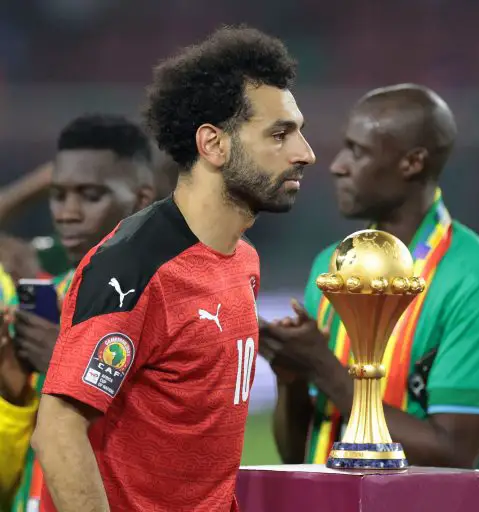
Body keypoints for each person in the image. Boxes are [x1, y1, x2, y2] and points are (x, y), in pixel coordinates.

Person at [32, 25, 314, 512]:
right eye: (280, 134)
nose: (304, 153)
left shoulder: (243, 260)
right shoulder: (133, 266)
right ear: (213, 144)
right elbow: (58, 433)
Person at [260, 84, 479, 512]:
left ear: (412, 162)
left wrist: (324, 369)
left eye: (357, 151)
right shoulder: (331, 266)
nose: (337, 166)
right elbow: (300, 455)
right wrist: (291, 378)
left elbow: (455, 456)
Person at [0, 113, 157, 512]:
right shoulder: (44, 300)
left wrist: (66, 366)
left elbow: (181, 441)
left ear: (141, 200)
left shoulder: (169, 300)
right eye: (57, 195)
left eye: (90, 196)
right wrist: (14, 395)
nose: (66, 213)